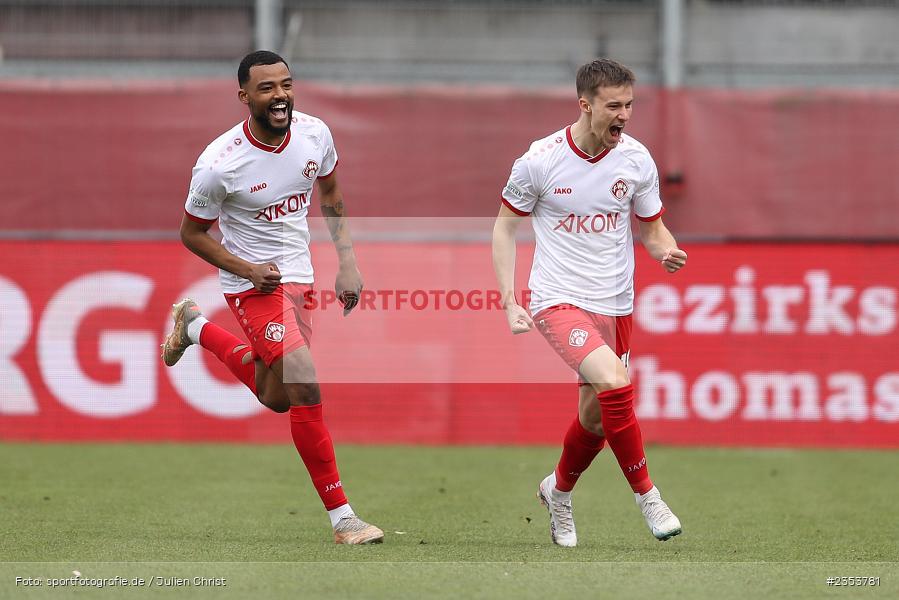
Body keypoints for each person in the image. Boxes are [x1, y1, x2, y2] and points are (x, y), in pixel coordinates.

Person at [161, 50, 383, 545]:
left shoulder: (315, 134)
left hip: (298, 279)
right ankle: (343, 519)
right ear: (244, 96)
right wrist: (247, 270)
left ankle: (194, 327)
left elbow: (330, 191)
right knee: (305, 386)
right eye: (266, 88)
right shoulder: (219, 165)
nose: (280, 95)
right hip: (252, 286)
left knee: (277, 396)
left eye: (286, 84)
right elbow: (191, 233)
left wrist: (348, 261)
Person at [492, 58, 687, 548]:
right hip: (558, 299)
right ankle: (648, 496)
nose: (624, 115)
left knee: (596, 419)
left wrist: (665, 250)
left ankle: (557, 491)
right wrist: (510, 300)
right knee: (616, 383)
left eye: (629, 105)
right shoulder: (540, 160)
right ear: (585, 104)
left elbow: (653, 229)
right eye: (613, 106)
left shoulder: (636, 160)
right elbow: (504, 228)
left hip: (615, 303)